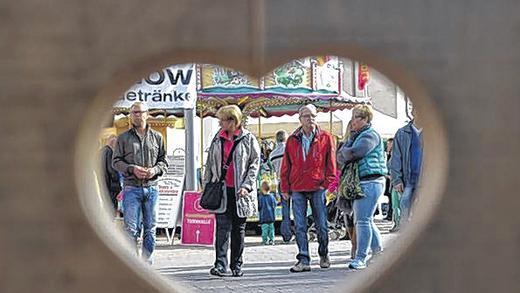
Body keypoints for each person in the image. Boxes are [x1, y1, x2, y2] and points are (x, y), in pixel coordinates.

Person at [203, 105, 261, 277]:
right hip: (221, 190)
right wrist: (207, 183)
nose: (219, 123)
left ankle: (237, 264)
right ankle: (220, 264)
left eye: (222, 120)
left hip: (240, 192)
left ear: (232, 121)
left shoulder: (248, 139)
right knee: (222, 228)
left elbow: (254, 164)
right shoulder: (217, 138)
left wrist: (247, 185)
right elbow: (209, 163)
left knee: (238, 229)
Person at [280, 104, 337, 273]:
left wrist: (329, 185)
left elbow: (331, 165)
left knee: (321, 224)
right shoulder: (292, 140)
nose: (310, 119)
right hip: (297, 186)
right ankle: (303, 258)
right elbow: (286, 166)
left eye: (313, 115)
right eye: (306, 116)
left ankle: (323, 252)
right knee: (299, 225)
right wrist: (285, 187)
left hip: (318, 186)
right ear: (300, 119)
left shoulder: (326, 137)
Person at [112, 102, 168, 264]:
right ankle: (133, 264)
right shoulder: (123, 138)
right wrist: (131, 168)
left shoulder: (157, 137)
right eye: (133, 113)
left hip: (152, 188)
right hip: (131, 188)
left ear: (147, 114)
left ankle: (146, 263)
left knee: (150, 229)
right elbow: (115, 162)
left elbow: (164, 161)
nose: (136, 115)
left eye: (139, 112)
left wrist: (155, 170)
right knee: (131, 229)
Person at [337, 105, 387, 270]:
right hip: (365, 181)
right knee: (367, 220)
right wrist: (346, 150)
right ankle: (378, 252)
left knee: (362, 220)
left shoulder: (369, 135)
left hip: (370, 181)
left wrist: (345, 151)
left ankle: (361, 257)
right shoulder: (357, 135)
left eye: (356, 117)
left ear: (365, 119)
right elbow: (342, 155)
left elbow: (354, 153)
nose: (352, 121)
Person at [389, 107, 423, 225]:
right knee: (405, 207)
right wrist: (396, 179)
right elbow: (396, 158)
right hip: (408, 180)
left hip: (425, 180)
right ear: (413, 113)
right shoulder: (402, 133)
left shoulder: (431, 133)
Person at [269, 129, 293, 243]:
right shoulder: (289, 149)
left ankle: (286, 234)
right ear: (285, 138)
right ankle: (299, 232)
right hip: (293, 181)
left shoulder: (272, 154)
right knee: (298, 207)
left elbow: (272, 170)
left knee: (285, 209)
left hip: (281, 182)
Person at [100, 134, 122, 214]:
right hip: (111, 186)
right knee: (112, 208)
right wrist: (118, 185)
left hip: (103, 184)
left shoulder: (101, 151)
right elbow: (112, 169)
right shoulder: (110, 152)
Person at [258, 181, 277, 245]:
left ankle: (265, 240)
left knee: (264, 230)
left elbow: (259, 206)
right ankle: (272, 240)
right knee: (271, 230)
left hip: (264, 217)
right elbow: (275, 205)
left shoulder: (260, 197)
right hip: (271, 217)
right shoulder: (272, 197)